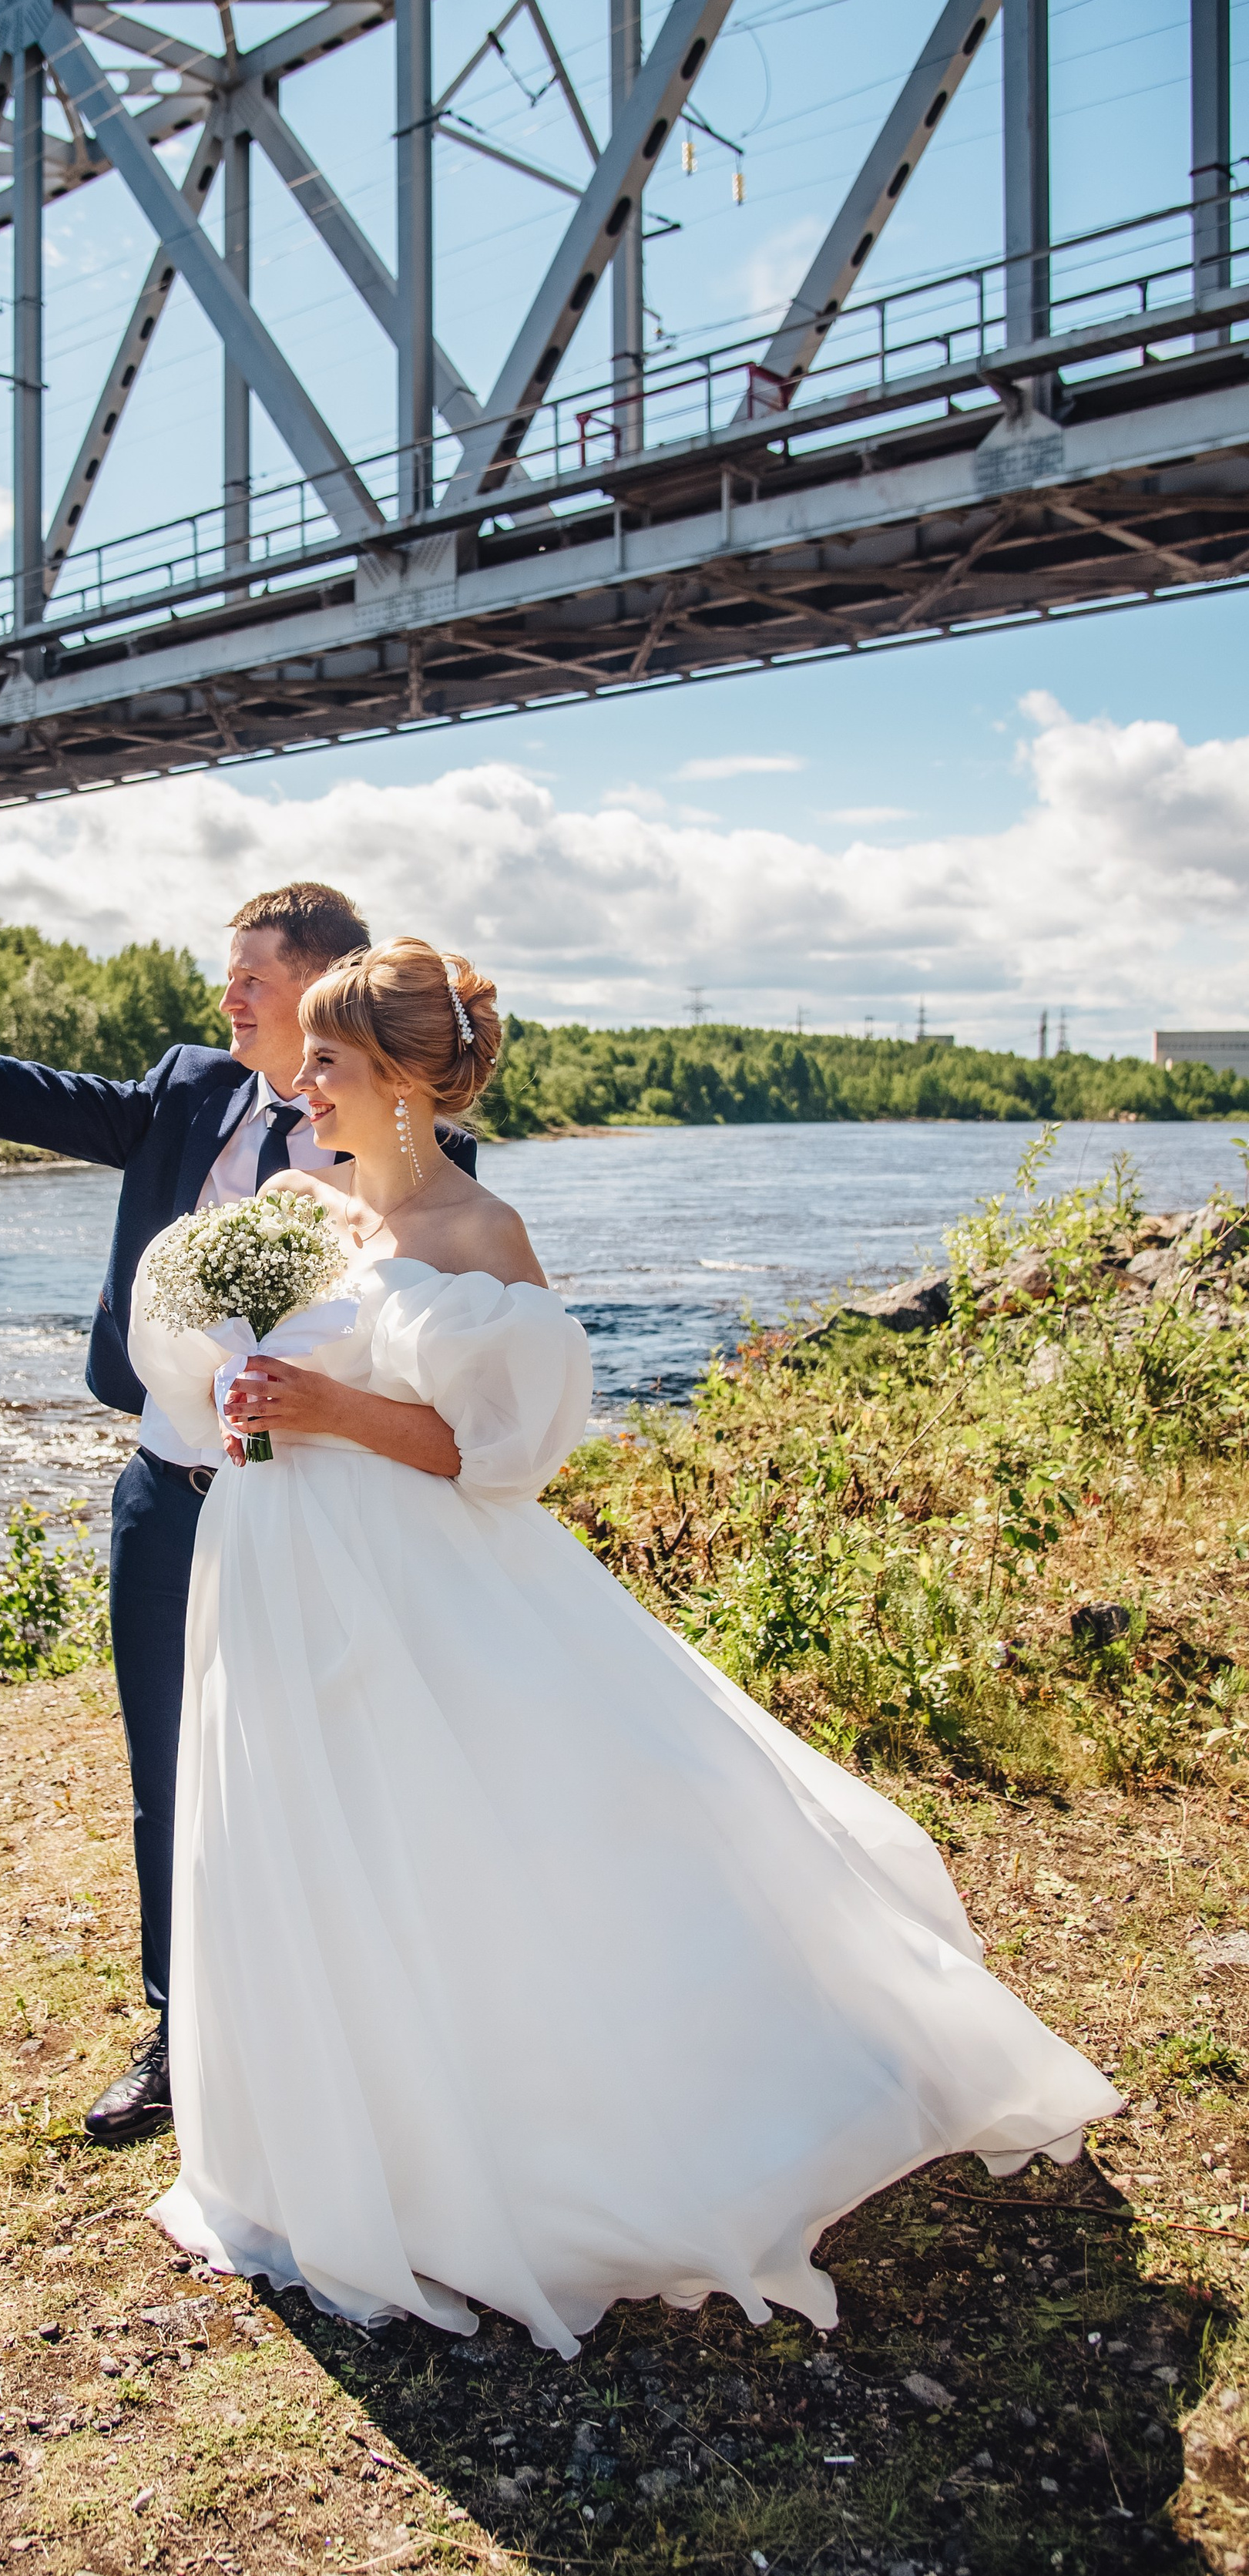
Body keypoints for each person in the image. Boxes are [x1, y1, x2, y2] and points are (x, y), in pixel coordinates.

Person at [128, 937, 1122, 2353]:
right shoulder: (296, 1206)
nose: (303, 1083)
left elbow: (496, 1453)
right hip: (277, 1564)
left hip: (421, 1578)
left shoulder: (481, 1238)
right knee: (304, 1830)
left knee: (468, 1838)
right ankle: (317, 2144)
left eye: (331, 1064)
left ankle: (521, 2146)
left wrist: (332, 1412)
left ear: (405, 1080)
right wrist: (227, 1379)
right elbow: (216, 1351)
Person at [0, 883, 478, 2145]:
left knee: (320, 1767)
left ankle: (336, 2019)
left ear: (329, 986)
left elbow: (441, 1373)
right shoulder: (191, 1090)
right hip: (163, 1503)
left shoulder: (415, 1167)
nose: (226, 997)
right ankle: (180, 2035)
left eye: (253, 979)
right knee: (167, 1768)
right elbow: (31, 1095)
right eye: (226, 975)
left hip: (320, 1513)